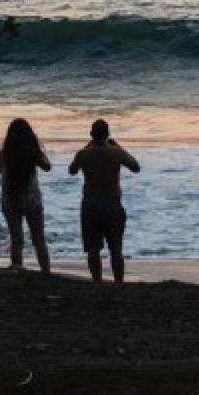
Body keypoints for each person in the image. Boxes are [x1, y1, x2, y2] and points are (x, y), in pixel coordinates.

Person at [69, 119, 140, 283]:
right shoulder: (117, 152)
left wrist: (87, 147)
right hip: (112, 202)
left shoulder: (83, 153)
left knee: (93, 249)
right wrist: (120, 147)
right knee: (116, 247)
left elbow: (72, 170)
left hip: (90, 204)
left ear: (91, 134)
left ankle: (97, 282)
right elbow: (136, 167)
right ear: (108, 134)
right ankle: (118, 283)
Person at [0, 118, 53, 274]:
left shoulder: (2, 153)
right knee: (38, 238)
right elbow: (48, 166)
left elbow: (2, 171)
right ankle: (46, 271)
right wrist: (38, 149)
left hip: (10, 198)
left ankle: (17, 268)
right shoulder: (33, 153)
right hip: (31, 199)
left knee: (16, 238)